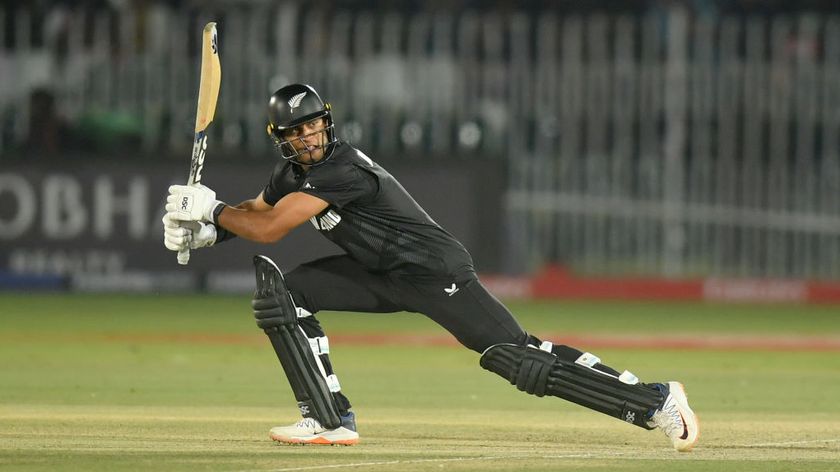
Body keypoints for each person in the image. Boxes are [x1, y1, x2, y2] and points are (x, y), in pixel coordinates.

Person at [162, 83, 699, 451]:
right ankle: (328, 420)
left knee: (515, 358)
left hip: (431, 270)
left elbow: (275, 228)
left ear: (327, 122)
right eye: (296, 131)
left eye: (313, 125)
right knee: (285, 292)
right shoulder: (290, 173)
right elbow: (258, 211)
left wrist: (210, 209)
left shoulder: (342, 168)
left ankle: (654, 403)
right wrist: (211, 229)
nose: (307, 137)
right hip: (381, 273)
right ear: (281, 138)